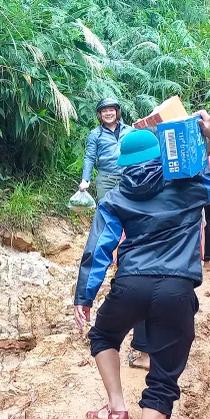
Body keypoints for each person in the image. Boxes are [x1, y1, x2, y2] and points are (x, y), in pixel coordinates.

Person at [72, 111, 210, 419]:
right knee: (164, 377)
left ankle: (116, 406)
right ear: (161, 157)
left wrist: (84, 297)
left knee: (103, 335)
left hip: (130, 285)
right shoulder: (191, 185)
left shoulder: (116, 197)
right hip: (176, 290)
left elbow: (99, 249)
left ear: (122, 165)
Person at [80, 96, 151, 369]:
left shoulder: (131, 131)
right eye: (104, 111)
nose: (108, 114)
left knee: (128, 213)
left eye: (111, 110)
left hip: (128, 174)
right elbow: (89, 157)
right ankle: (111, 249)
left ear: (117, 112)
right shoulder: (94, 135)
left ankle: (123, 245)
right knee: (108, 215)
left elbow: (142, 146)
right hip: (106, 176)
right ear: (99, 115)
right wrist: (86, 179)